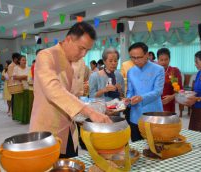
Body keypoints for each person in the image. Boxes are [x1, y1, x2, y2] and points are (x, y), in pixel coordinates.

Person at [29, 22, 111, 158]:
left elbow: (76, 96)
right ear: (68, 40)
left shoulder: (79, 62)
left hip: (70, 130)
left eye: (88, 50)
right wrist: (89, 112)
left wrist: (98, 109)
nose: (84, 54)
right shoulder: (46, 56)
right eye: (81, 48)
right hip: (48, 129)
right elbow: (53, 89)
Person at [126, 42, 164, 142]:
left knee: (155, 146)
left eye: (139, 57)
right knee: (137, 146)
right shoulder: (131, 71)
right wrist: (128, 99)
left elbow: (158, 91)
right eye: (132, 57)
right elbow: (130, 91)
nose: (135, 60)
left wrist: (141, 98)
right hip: (135, 115)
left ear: (147, 55)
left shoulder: (159, 69)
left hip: (153, 114)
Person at [185, 50, 201, 132]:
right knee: (194, 133)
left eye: (197, 62)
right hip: (196, 109)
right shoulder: (199, 73)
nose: (195, 64)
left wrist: (198, 99)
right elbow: (196, 90)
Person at [157, 48, 183, 112]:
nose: (164, 62)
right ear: (158, 60)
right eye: (161, 60)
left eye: (166, 59)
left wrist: (171, 97)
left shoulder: (173, 71)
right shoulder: (154, 71)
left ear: (169, 59)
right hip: (155, 103)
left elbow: (179, 90)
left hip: (168, 103)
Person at [12, 56, 31, 124]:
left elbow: (29, 78)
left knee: (26, 103)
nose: (24, 61)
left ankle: (26, 119)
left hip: (27, 87)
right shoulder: (16, 68)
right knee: (19, 103)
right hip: (18, 88)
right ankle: (19, 117)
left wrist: (20, 77)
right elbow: (14, 77)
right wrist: (24, 77)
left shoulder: (28, 68)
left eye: (25, 60)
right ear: (19, 61)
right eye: (23, 60)